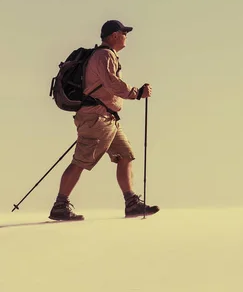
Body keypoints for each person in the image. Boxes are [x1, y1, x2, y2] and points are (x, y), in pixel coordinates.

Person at [49, 20, 160, 221]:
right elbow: (112, 83)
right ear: (115, 35)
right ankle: (60, 205)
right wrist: (137, 93)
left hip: (107, 118)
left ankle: (131, 203)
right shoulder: (104, 55)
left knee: (125, 155)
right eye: (124, 32)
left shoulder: (105, 55)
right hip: (96, 118)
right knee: (81, 161)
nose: (126, 36)